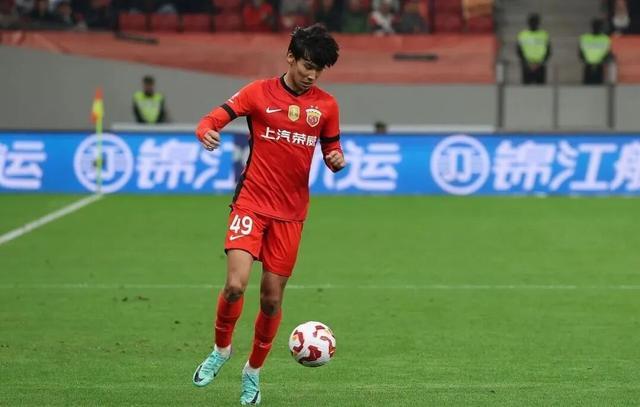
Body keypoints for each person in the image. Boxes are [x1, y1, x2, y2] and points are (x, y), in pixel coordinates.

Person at [191, 24, 345, 405]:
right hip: (251, 203)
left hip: (290, 215)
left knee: (271, 300)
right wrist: (205, 129)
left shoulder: (326, 106)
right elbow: (214, 118)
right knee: (235, 285)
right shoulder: (258, 93)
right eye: (307, 65)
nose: (311, 75)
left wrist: (335, 159)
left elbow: (332, 147)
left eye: (319, 69)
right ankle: (221, 349)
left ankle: (253, 371)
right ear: (290, 57)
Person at [517, 13, 551, 85]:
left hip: (540, 66)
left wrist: (540, 63)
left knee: (541, 89)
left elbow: (548, 51)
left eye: (535, 22)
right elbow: (519, 51)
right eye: (532, 22)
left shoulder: (544, 34)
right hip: (527, 66)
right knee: (526, 89)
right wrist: (527, 63)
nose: (533, 24)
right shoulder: (522, 35)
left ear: (538, 23)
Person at [579, 18, 613, 85]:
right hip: (590, 65)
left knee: (596, 86)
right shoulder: (585, 38)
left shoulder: (605, 39)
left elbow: (608, 53)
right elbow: (580, 52)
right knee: (589, 85)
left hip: (598, 65)